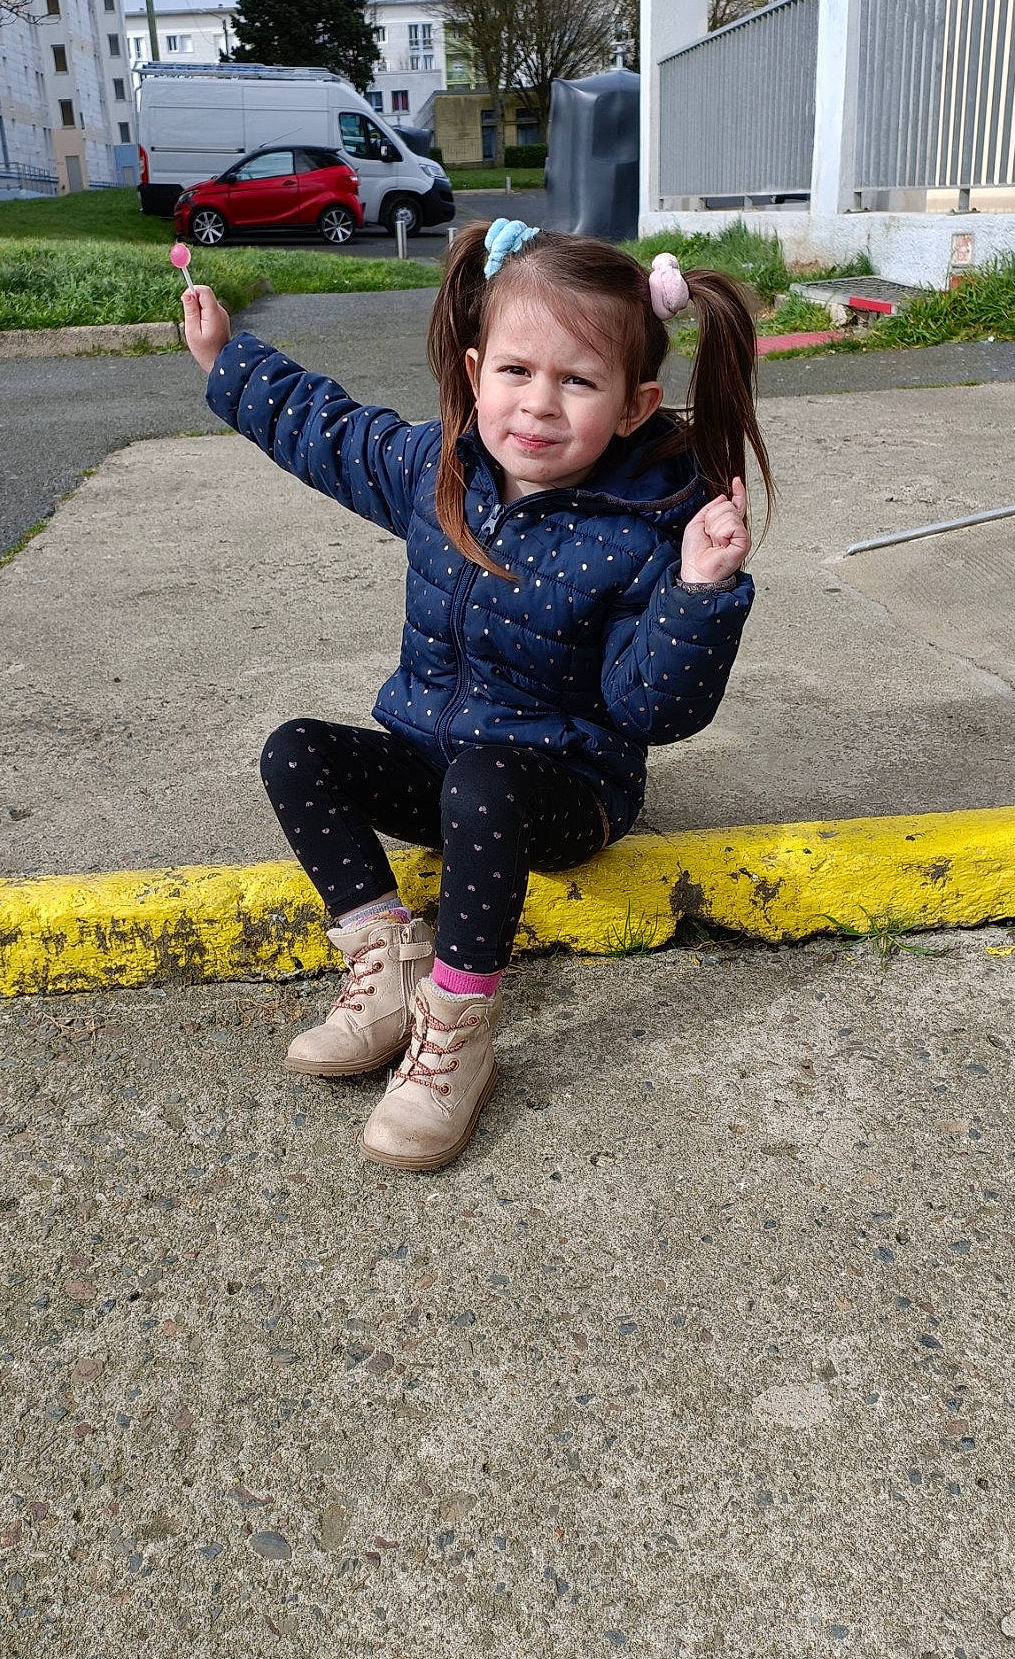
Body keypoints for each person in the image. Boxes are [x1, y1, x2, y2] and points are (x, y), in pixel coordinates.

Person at [181, 218, 771, 1173]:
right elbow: (328, 432)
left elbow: (653, 710)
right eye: (515, 372)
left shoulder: (648, 529)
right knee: (297, 749)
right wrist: (228, 360)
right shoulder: (440, 467)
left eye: (577, 381)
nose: (538, 407)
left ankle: (455, 1031)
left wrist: (700, 593)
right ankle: (384, 966)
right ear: (473, 367)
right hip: (441, 763)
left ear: (633, 405)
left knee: (486, 783)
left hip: (562, 792)